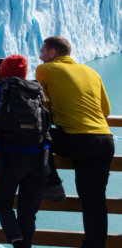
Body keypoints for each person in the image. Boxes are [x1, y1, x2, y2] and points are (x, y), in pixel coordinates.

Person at [35, 36, 113, 248]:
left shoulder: (45, 70)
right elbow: (106, 111)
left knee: (37, 134)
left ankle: (52, 183)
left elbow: (40, 107)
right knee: (94, 201)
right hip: (104, 141)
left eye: (42, 51)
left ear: (52, 53)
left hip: (76, 140)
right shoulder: (91, 72)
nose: (40, 55)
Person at [0, 55, 49, 248]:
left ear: (2, 70)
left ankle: (17, 243)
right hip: (39, 155)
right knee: (28, 212)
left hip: (11, 155)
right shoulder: (35, 89)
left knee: (3, 204)